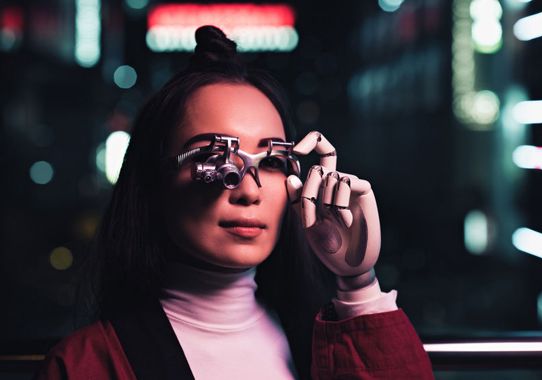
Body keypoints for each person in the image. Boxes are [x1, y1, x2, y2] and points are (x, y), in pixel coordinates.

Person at [35, 26, 434, 379]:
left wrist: (359, 287)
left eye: (275, 161)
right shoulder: (86, 364)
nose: (249, 190)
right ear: (154, 180)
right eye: (215, 160)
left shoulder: (321, 341)